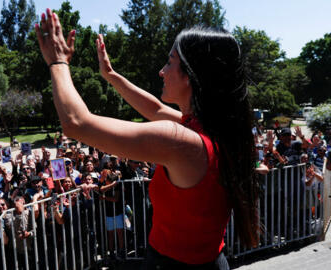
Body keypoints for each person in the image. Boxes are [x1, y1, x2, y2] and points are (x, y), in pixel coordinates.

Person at [35, 10, 259, 269]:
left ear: (191, 75)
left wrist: (57, 63)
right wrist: (110, 75)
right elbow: (154, 109)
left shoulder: (182, 142)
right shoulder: (215, 129)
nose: (162, 71)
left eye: (170, 62)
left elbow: (76, 123)